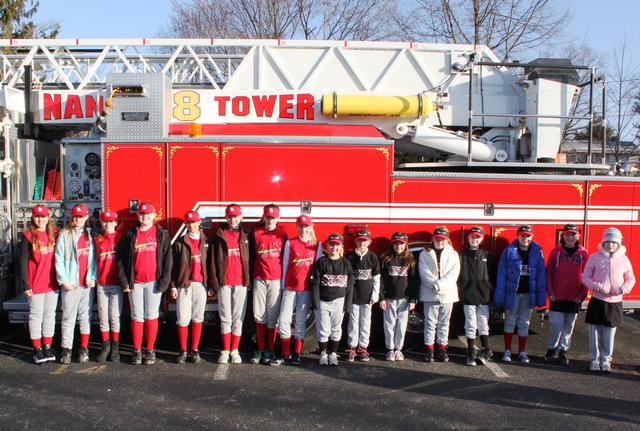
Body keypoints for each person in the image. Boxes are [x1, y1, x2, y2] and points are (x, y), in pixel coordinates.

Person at [117, 202, 172, 365]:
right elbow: (120, 260)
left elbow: (168, 260)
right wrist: (125, 281)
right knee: (137, 317)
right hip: (135, 283)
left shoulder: (161, 234)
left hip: (153, 283)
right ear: (137, 216)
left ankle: (150, 350)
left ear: (155, 216)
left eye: (148, 214)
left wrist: (164, 282)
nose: (145, 217)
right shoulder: (130, 234)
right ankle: (136, 350)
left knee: (151, 316)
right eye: (142, 214)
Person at [270, 215, 322, 366]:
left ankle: (296, 354)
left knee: (300, 321)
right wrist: (282, 286)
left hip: (306, 289)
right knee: (284, 320)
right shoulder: (290, 243)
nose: (303, 229)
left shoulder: (316, 245)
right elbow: (285, 265)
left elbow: (317, 269)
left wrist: (315, 290)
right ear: (297, 227)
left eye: (306, 226)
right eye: (300, 226)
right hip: (290, 288)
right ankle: (285, 353)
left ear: (311, 227)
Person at [582, 227, 635, 372]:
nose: (610, 245)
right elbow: (585, 276)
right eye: (607, 242)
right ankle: (594, 359)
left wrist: (622, 289)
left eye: (613, 242)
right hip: (598, 301)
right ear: (603, 242)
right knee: (594, 332)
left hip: (614, 302)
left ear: (618, 244)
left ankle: (606, 360)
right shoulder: (595, 257)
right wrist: (597, 286)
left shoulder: (624, 259)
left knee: (609, 333)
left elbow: (631, 278)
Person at [494, 224, 546, 364]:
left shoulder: (537, 252)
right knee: (510, 321)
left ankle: (522, 352)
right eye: (522, 235)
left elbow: (541, 275)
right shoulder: (509, 251)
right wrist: (500, 295)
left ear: (532, 237)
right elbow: (501, 274)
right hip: (513, 294)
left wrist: (541, 296)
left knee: (524, 323)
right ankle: (507, 351)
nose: (525, 238)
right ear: (518, 236)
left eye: (528, 236)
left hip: (528, 294)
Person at [210, 203, 253, 365]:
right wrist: (214, 282)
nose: (232, 219)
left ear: (241, 217)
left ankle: (235, 350)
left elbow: (253, 258)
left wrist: (250, 280)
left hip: (241, 282)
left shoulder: (246, 236)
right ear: (226, 218)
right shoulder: (219, 235)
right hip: (224, 282)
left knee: (238, 318)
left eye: (235, 216)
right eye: (229, 216)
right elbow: (213, 261)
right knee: (225, 318)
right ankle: (225, 350)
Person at [55, 204, 97, 364]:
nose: (78, 219)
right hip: (70, 284)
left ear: (86, 217)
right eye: (76, 217)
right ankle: (66, 349)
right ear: (72, 218)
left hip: (86, 284)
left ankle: (84, 348)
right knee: (68, 317)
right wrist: (63, 280)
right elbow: (58, 258)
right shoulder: (64, 235)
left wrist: (92, 276)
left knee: (85, 316)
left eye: (81, 216)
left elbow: (93, 261)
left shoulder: (89, 235)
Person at [544, 223, 589, 366]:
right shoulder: (555, 252)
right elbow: (548, 272)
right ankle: (551, 349)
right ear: (563, 235)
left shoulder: (583, 253)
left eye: (573, 234)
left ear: (578, 236)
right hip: (557, 296)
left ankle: (563, 351)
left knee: (569, 327)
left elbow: (588, 276)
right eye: (568, 234)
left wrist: (582, 295)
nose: (570, 237)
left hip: (574, 298)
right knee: (555, 325)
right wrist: (550, 291)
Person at [19, 205, 59, 364]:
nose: (40, 219)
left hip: (52, 284)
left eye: (43, 216)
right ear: (33, 218)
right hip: (35, 284)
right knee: (36, 316)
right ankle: (37, 348)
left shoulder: (54, 233)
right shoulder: (28, 236)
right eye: (37, 216)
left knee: (50, 315)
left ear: (48, 217)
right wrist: (25, 284)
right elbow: (22, 262)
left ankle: (47, 346)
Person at [170, 211, 211, 364]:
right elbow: (173, 267)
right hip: (184, 284)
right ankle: (183, 350)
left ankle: (194, 350)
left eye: (194, 222)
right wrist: (173, 286)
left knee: (198, 318)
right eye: (189, 223)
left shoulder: (206, 241)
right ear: (186, 225)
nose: (192, 225)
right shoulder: (180, 242)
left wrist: (211, 285)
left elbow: (210, 265)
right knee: (182, 319)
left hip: (200, 284)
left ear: (199, 222)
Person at [251, 204, 287, 365]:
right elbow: (251, 256)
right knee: (259, 315)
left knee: (272, 316)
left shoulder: (282, 234)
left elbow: (286, 259)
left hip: (275, 278)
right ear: (263, 217)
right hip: (259, 277)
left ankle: (270, 349)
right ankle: (260, 348)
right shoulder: (256, 233)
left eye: (273, 218)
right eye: (268, 217)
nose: (270, 220)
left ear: (278, 218)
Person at [310, 233, 354, 366]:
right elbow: (315, 284)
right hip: (323, 301)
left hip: (339, 301)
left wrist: (348, 304)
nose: (334, 247)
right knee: (323, 329)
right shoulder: (321, 262)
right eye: (331, 244)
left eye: (337, 244)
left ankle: (333, 353)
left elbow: (350, 286)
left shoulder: (346, 263)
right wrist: (315, 302)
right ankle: (323, 353)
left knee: (336, 329)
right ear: (327, 246)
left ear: (341, 246)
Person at [419, 226, 460, 363]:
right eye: (437, 238)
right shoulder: (425, 253)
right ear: (433, 238)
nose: (440, 241)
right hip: (429, 293)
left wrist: (441, 284)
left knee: (444, 323)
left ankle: (442, 348)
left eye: (443, 239)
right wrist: (435, 284)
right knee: (430, 323)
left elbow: (454, 273)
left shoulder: (453, 254)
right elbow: (424, 273)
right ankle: (429, 349)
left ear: (447, 240)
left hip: (448, 293)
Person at [458, 226, 496, 366]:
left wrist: (491, 290)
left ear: (482, 239)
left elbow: (493, 275)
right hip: (468, 295)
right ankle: (470, 353)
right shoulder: (461, 255)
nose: (474, 239)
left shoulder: (488, 255)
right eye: (472, 237)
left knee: (482, 323)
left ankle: (487, 349)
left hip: (483, 296)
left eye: (477, 237)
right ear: (468, 238)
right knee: (470, 324)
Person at [379, 232, 417, 362]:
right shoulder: (386, 259)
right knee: (389, 324)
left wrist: (413, 299)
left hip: (404, 299)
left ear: (405, 244)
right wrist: (381, 297)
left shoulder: (409, 259)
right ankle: (390, 350)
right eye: (396, 243)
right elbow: (381, 280)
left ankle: (398, 349)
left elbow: (413, 281)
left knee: (401, 325)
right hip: (389, 298)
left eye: (401, 243)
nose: (398, 246)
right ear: (392, 244)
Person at [345, 229, 380, 362]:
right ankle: (352, 347)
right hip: (354, 296)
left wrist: (375, 295)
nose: (362, 243)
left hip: (367, 297)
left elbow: (376, 277)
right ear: (355, 242)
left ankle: (363, 348)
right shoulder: (350, 256)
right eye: (359, 240)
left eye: (364, 241)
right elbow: (347, 277)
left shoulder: (372, 256)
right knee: (353, 323)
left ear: (369, 242)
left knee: (365, 323)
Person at [94, 210, 123, 363]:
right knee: (103, 317)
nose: (108, 224)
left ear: (116, 223)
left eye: (111, 221)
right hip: (102, 283)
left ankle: (116, 348)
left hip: (117, 284)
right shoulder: (98, 239)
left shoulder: (120, 238)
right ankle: (105, 347)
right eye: (105, 221)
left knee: (115, 317)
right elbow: (93, 262)